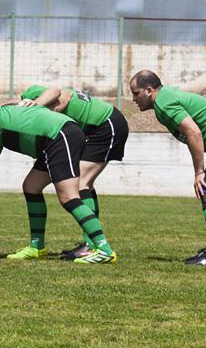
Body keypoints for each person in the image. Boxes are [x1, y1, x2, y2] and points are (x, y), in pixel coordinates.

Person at [0, 105, 118, 264]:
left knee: (69, 197)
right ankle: (36, 246)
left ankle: (104, 250)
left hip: (59, 136)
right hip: (53, 139)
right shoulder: (3, 114)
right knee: (31, 186)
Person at [130, 70, 206, 266]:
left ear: (148, 90)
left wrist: (199, 172)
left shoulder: (163, 102)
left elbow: (194, 133)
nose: (133, 99)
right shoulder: (164, 100)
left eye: (136, 93)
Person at [19, 85, 128, 260]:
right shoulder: (45, 108)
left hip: (106, 126)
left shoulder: (49, 96)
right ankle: (36, 246)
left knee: (82, 183)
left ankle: (92, 246)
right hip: (67, 136)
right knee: (32, 185)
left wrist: (37, 105)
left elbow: (56, 91)